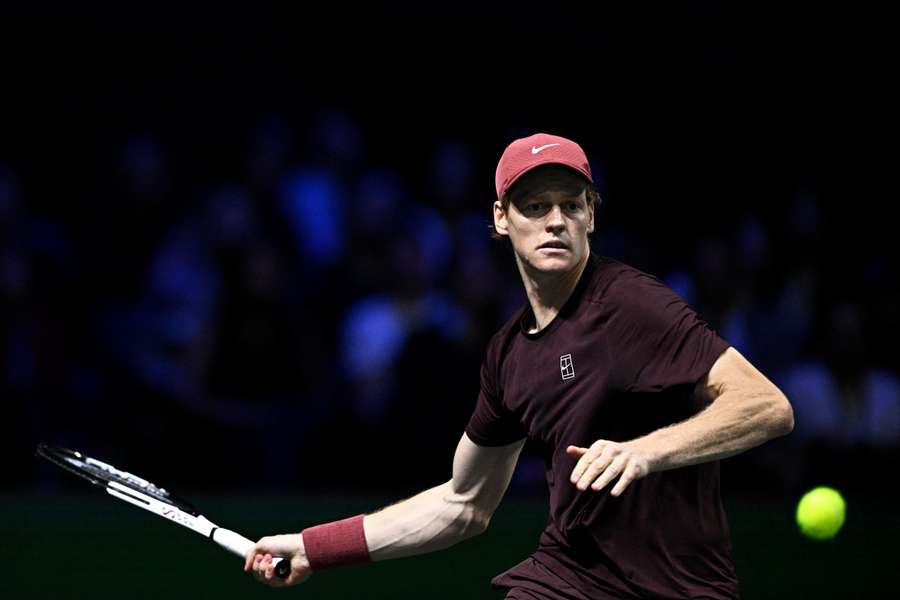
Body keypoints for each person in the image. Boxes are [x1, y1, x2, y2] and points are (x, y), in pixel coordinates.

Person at [244, 133, 795, 599]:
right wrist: (315, 547)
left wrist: (644, 451)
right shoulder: (509, 355)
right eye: (535, 206)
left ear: (591, 215)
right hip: (569, 579)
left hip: (679, 587)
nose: (555, 220)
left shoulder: (629, 305)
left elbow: (766, 406)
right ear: (501, 218)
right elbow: (463, 505)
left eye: (571, 205)